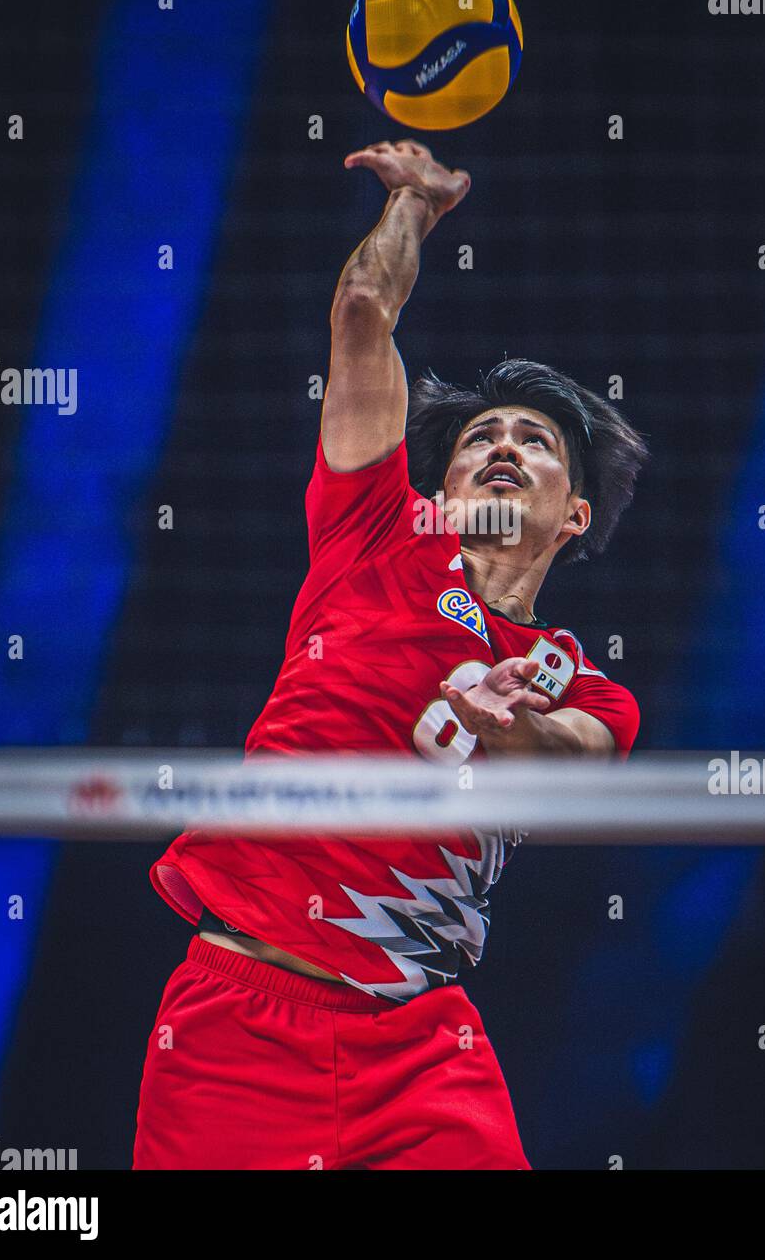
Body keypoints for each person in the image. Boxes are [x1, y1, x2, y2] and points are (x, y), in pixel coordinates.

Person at [133, 139, 648, 1170]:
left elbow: (576, 760)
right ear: (444, 479)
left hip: (418, 1046)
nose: (502, 443)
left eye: (535, 441)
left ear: (573, 513)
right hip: (234, 1019)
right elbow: (362, 315)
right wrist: (413, 205)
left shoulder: (584, 681)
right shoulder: (374, 530)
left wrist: (514, 726)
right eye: (480, 435)